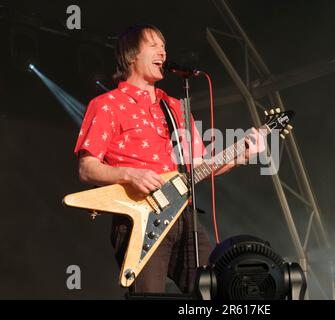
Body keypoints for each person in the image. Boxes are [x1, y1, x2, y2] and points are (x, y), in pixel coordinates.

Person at [73, 24, 264, 294]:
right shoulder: (107, 104)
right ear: (131, 56)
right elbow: (87, 168)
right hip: (139, 218)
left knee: (219, 290)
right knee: (149, 295)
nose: (163, 51)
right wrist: (129, 174)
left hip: (185, 216)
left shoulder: (175, 106)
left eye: (164, 46)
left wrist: (241, 155)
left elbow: (199, 166)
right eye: (154, 45)